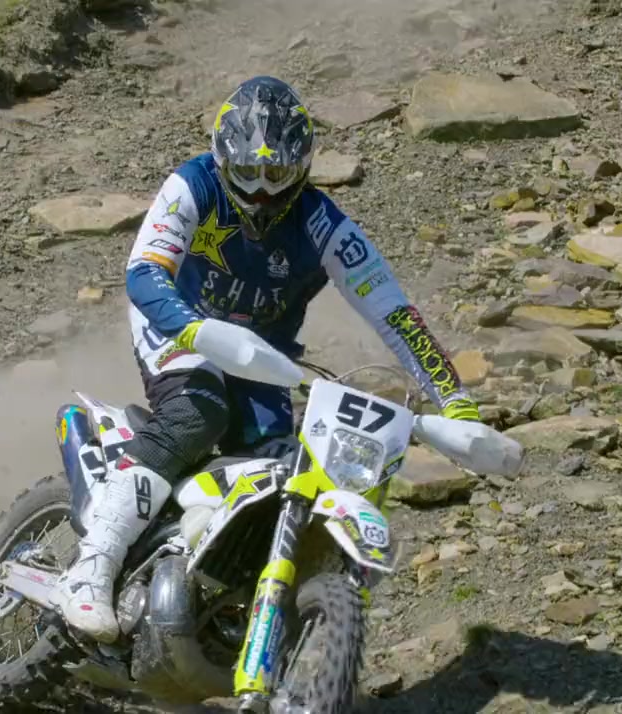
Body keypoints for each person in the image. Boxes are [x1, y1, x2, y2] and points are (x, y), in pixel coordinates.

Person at [51, 75, 480, 643]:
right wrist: (195, 329)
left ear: (302, 167)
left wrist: (456, 400)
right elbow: (144, 272)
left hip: (262, 356)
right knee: (198, 413)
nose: (259, 193)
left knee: (282, 466)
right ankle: (92, 567)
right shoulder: (192, 184)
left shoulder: (324, 224)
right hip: (178, 322)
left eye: (275, 176)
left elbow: (395, 314)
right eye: (247, 173)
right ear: (221, 157)